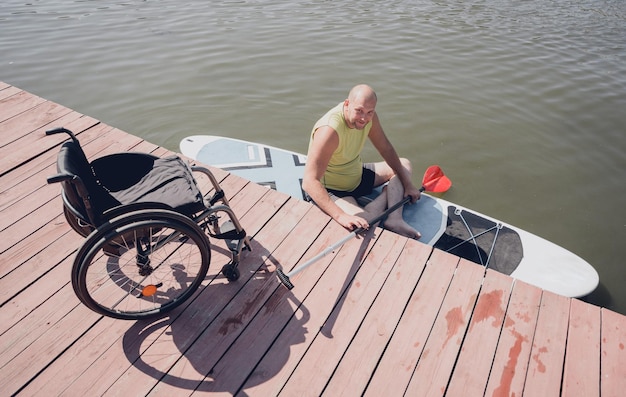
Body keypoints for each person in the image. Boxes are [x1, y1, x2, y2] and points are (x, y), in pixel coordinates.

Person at [302, 84, 422, 239]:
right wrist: (341, 216)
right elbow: (309, 182)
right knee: (367, 223)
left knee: (404, 165)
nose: (364, 118)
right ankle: (386, 198)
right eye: (359, 111)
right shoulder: (329, 130)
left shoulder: (370, 118)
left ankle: (394, 219)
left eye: (369, 112)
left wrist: (408, 184)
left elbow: (386, 149)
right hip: (333, 188)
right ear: (347, 104)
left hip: (356, 175)